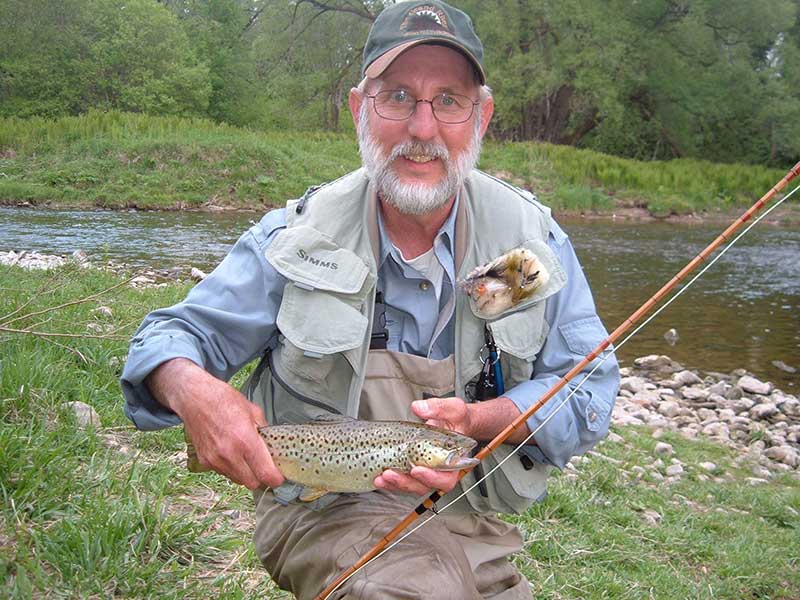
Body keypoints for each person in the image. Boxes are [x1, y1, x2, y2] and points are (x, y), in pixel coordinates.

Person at [121, 1, 620, 598]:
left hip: (472, 525)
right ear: (360, 108)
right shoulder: (297, 237)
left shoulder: (531, 245)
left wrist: (486, 420)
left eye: (449, 101)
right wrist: (193, 390)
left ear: (481, 117)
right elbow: (169, 339)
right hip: (322, 512)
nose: (422, 128)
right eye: (399, 97)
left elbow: (589, 391)